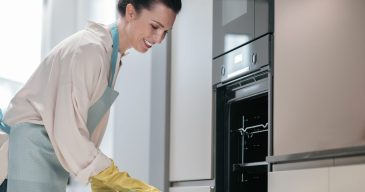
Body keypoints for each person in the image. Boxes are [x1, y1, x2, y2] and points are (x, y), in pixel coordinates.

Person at [0, 0, 181, 191]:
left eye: (166, 32)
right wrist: (108, 175)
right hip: (26, 158)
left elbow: (77, 131)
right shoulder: (89, 50)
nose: (159, 38)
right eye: (155, 26)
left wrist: (99, 177)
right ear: (130, 12)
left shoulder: (111, 56)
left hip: (47, 162)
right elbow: (68, 130)